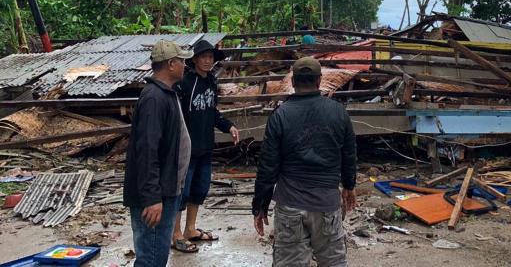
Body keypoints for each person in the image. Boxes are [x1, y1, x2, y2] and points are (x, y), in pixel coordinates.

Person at [252, 57, 357, 267]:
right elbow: (349, 154)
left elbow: (268, 166)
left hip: (290, 206)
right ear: (319, 81)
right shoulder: (338, 112)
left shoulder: (280, 115)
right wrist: (349, 186)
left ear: (293, 82)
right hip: (327, 205)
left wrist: (260, 205)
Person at [123, 40, 193, 267]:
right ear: (171, 64)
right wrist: (152, 198)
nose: (185, 65)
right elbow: (147, 151)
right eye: (182, 61)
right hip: (156, 196)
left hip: (166, 189)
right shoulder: (154, 98)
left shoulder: (166, 94)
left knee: (157, 256)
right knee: (151, 258)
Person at [171, 40, 240, 253]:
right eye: (204, 57)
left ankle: (191, 228)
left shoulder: (211, 81)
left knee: (199, 189)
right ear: (194, 59)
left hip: (205, 146)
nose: (208, 61)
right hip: (186, 148)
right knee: (181, 192)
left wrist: (228, 126)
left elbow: (212, 110)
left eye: (210, 57)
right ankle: (176, 234)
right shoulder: (184, 83)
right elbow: (175, 114)